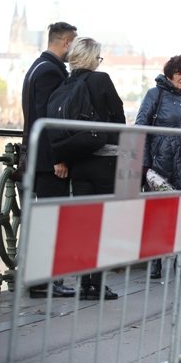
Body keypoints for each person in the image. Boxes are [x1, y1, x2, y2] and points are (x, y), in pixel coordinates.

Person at [59, 37, 125, 300]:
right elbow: (118, 117)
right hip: (104, 160)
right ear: (92, 58)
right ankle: (96, 284)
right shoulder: (101, 80)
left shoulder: (67, 82)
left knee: (85, 223)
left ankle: (83, 282)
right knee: (102, 223)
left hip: (78, 160)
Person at [135, 55, 181, 279]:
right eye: (179, 74)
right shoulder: (155, 94)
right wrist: (144, 164)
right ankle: (155, 262)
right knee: (158, 215)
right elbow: (141, 126)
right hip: (160, 164)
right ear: (169, 75)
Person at [21, 21, 78, 299]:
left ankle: (40, 281)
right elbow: (49, 119)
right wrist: (59, 157)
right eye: (73, 43)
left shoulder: (37, 67)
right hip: (48, 161)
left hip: (37, 158)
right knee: (49, 222)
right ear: (66, 41)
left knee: (42, 220)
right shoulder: (51, 72)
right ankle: (44, 283)